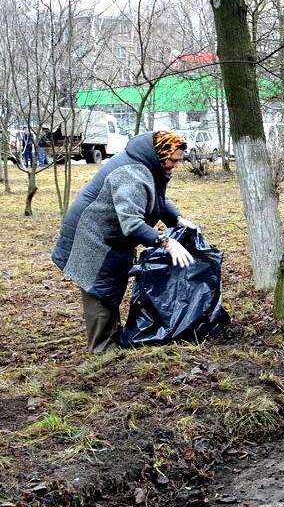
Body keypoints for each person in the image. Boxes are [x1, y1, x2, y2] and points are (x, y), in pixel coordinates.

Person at [52, 130, 196, 353]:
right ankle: (102, 352)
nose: (175, 164)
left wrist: (176, 218)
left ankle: (112, 341)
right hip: (91, 236)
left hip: (110, 236)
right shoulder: (131, 173)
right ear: (160, 153)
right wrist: (166, 242)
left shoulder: (149, 165)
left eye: (179, 160)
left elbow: (154, 197)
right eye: (173, 159)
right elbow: (131, 223)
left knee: (111, 286)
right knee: (99, 290)